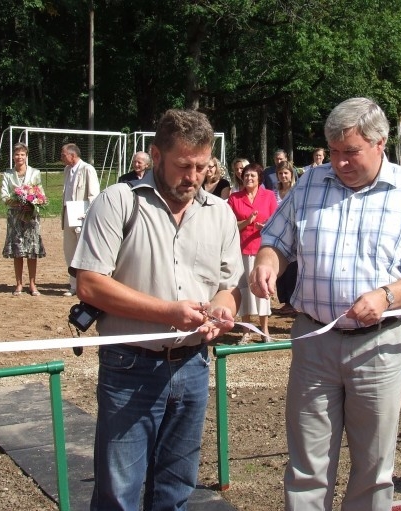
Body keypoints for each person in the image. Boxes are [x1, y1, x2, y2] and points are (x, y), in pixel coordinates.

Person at [249, 97, 401, 510]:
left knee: (373, 469)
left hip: (379, 346)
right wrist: (268, 262)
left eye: (350, 152)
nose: (339, 162)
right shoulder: (309, 182)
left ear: (381, 143)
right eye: (334, 152)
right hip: (313, 342)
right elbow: (276, 240)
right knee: (306, 466)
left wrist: (388, 296)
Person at [70, 109, 243, 511]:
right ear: (156, 155)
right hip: (129, 368)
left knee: (176, 489)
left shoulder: (219, 213)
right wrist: (169, 312)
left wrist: (221, 309)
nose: (194, 176)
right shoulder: (118, 201)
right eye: (184, 165)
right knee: (119, 494)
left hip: (194, 367)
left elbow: (228, 286)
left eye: (202, 166)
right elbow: (90, 284)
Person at [227, 162, 277, 342]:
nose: (248, 178)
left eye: (252, 176)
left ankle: (264, 331)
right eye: (246, 175)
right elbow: (230, 226)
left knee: (263, 288)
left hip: (263, 250)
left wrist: (266, 227)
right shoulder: (235, 198)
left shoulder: (269, 196)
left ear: (259, 179)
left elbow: (276, 222)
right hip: (242, 250)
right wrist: (247, 222)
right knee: (245, 289)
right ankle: (246, 330)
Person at [0, 142, 46, 296]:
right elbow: (4, 196)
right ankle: (19, 284)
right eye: (16, 154)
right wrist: (18, 201)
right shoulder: (7, 174)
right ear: (13, 156)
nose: (19, 157)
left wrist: (35, 201)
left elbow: (40, 193)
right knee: (18, 251)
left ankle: (32, 284)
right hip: (15, 216)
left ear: (26, 156)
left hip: (31, 215)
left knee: (32, 250)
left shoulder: (35, 172)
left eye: (22, 154)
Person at [60, 143, 100, 297]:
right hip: (68, 214)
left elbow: (94, 195)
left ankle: (86, 285)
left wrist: (88, 214)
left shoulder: (87, 169)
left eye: (64, 155)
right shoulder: (67, 170)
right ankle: (73, 284)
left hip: (82, 215)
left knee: (83, 252)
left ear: (73, 155)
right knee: (69, 250)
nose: (62, 158)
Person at [273, 161, 298, 316]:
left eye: (286, 173)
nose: (283, 176)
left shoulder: (297, 190)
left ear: (291, 174)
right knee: (280, 267)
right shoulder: (274, 192)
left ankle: (293, 300)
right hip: (277, 233)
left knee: (293, 268)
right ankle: (285, 300)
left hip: (293, 233)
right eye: (281, 173)